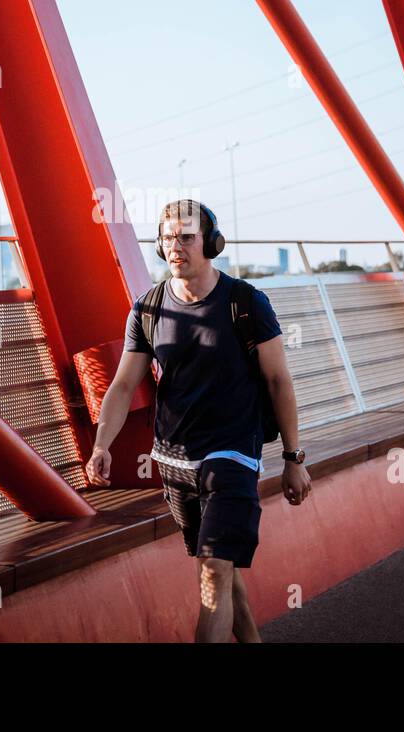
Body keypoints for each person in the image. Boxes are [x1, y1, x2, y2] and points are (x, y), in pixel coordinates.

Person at [84, 198, 311, 642]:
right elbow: (124, 385)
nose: (175, 247)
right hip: (174, 461)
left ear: (210, 243)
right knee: (221, 573)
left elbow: (279, 381)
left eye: (186, 237)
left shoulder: (246, 303)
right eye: (168, 238)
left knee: (212, 574)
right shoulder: (148, 309)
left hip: (232, 456)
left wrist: (293, 457)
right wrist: (101, 445)